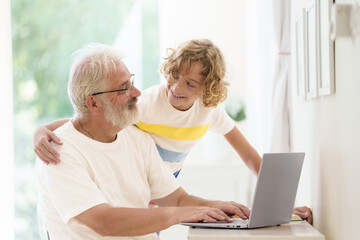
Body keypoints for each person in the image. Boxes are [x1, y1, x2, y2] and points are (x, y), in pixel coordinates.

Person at [34, 39, 313, 224]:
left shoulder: (204, 113)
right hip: (144, 190)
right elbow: (85, 118)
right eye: (174, 77)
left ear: (207, 89)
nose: (178, 88)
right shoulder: (142, 107)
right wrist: (42, 130)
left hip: (163, 186)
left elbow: (248, 158)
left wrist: (276, 208)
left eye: (191, 84)